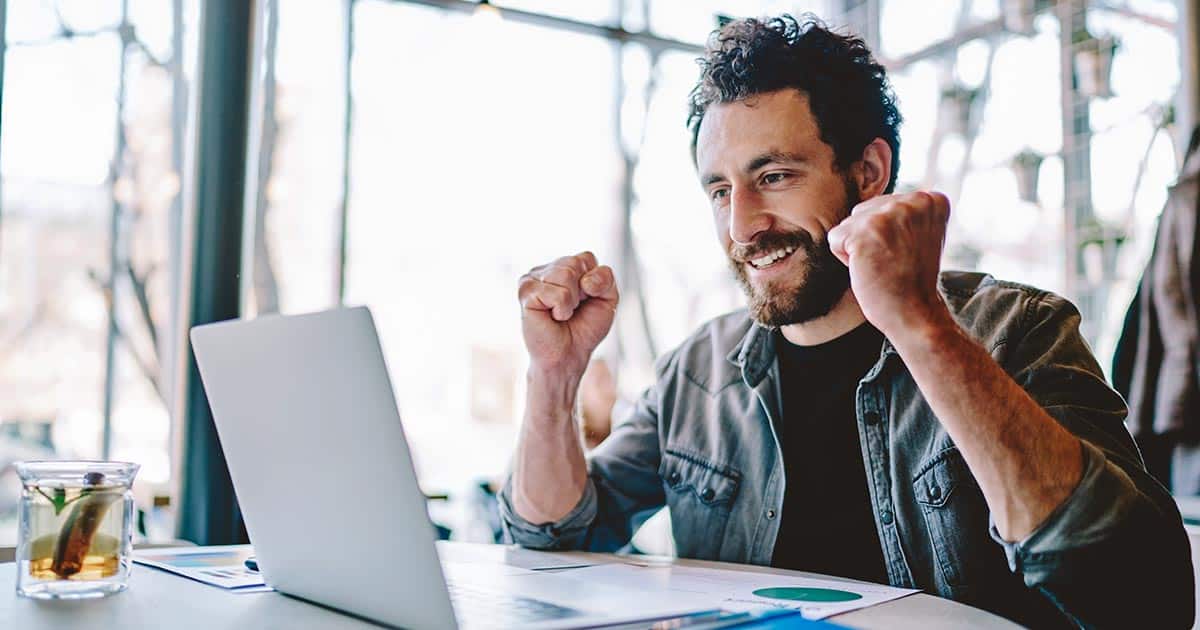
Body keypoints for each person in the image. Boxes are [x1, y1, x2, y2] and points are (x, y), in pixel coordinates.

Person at [499, 15, 1194, 628]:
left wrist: (920, 322)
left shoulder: (1017, 329)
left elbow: (1142, 599)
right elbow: (554, 544)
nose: (742, 225)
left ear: (867, 173)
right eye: (720, 190)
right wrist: (553, 379)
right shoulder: (699, 373)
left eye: (774, 176)